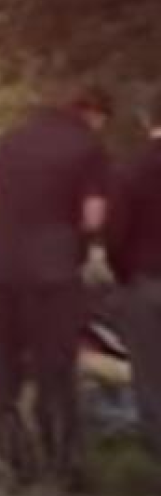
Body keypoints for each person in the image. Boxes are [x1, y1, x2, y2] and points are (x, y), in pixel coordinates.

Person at [0, 85, 112, 489]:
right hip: (53, 273)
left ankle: (11, 466)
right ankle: (61, 471)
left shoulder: (12, 138)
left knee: (2, 367)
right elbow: (93, 216)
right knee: (54, 370)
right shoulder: (88, 147)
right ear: (94, 113)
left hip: (0, 268)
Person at [105, 90, 161, 458]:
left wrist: (125, 276)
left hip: (147, 283)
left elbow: (116, 235)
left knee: (153, 383)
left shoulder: (130, 169)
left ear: (147, 120)